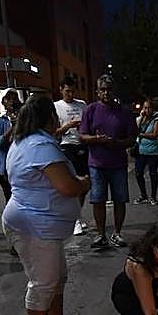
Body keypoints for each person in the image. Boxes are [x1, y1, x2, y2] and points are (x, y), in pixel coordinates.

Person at [3, 94, 91, 315]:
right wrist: (83, 183)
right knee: (43, 282)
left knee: (57, 277)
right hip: (33, 226)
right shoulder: (40, 145)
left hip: (40, 225)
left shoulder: (25, 141)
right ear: (49, 118)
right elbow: (67, 186)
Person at [79, 74, 136, 248]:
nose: (106, 92)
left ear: (114, 91)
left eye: (109, 89)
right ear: (97, 91)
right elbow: (82, 136)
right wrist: (96, 140)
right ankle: (100, 234)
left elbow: (133, 138)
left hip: (118, 164)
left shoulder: (124, 111)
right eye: (102, 89)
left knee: (120, 199)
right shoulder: (90, 110)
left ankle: (117, 233)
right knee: (98, 200)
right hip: (96, 164)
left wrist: (116, 143)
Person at [53, 76, 88, 237]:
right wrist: (67, 126)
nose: (70, 94)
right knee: (72, 182)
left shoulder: (82, 105)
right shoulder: (56, 107)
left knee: (84, 182)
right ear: (61, 90)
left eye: (73, 91)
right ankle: (73, 220)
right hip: (65, 145)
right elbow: (53, 132)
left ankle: (77, 215)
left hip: (82, 145)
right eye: (67, 91)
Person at [133, 97, 158, 205]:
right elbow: (135, 129)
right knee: (138, 173)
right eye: (145, 108)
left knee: (153, 174)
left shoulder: (156, 119)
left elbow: (155, 134)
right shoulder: (141, 118)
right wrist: (141, 117)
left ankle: (153, 197)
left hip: (153, 151)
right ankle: (143, 195)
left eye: (149, 108)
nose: (147, 110)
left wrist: (142, 135)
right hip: (141, 150)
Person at [0, 88, 18, 206]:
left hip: (22, 164)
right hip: (6, 167)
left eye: (14, 98)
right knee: (10, 199)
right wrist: (12, 128)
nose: (12, 101)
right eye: (8, 99)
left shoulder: (25, 119)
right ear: (3, 102)